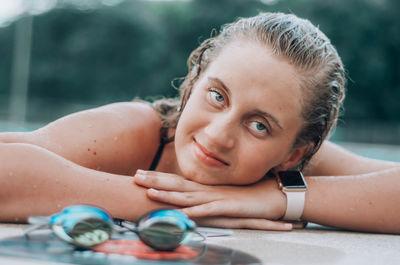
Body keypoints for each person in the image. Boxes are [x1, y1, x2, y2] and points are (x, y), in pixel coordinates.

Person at [0, 12, 399, 234]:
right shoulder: (138, 130)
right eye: (217, 96)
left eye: (259, 126)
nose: (218, 134)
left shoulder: (291, 171)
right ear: (192, 85)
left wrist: (278, 200)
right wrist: (185, 207)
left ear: (292, 153)